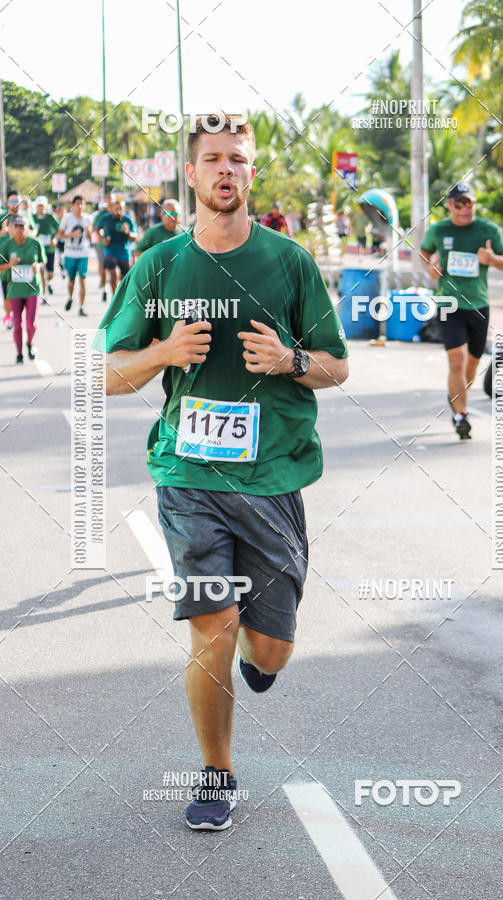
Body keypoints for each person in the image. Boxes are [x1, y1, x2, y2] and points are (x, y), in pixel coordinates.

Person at [95, 114, 349, 831]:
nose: (225, 170)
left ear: (251, 173)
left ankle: (257, 647)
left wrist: (293, 363)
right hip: (189, 473)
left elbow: (337, 364)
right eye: (212, 159)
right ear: (193, 174)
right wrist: (161, 353)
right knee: (211, 627)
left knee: (268, 650)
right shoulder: (160, 266)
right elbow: (109, 373)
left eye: (238, 159)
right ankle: (217, 772)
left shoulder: (292, 262)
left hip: (272, 480)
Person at [420, 182, 503, 439]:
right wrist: (430, 267)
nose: (464, 209)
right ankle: (461, 415)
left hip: (478, 304)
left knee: (472, 363)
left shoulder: (487, 230)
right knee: (456, 359)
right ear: (449, 205)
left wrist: (492, 259)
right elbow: (424, 251)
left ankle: (457, 397)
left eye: (468, 203)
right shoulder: (439, 230)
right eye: (458, 204)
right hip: (448, 303)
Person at [0, 215, 45, 363]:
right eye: (16, 226)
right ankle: (19, 353)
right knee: (17, 325)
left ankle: (30, 344)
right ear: (11, 229)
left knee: (31, 324)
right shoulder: (6, 245)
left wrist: (37, 266)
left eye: (22, 226)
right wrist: (9, 265)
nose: (19, 229)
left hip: (33, 288)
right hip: (15, 290)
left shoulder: (35, 243)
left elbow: (42, 261)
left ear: (27, 228)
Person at [57, 195, 92, 316]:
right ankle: (70, 298)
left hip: (83, 253)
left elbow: (91, 238)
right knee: (71, 281)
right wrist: (71, 235)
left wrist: (88, 231)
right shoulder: (67, 218)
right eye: (77, 203)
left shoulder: (88, 218)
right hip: (70, 254)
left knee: (83, 279)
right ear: (73, 205)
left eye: (82, 203)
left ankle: (82, 307)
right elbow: (59, 235)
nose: (79, 206)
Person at [99, 198, 137, 297]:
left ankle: (122, 297)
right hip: (110, 250)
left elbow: (134, 237)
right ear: (112, 209)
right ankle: (114, 296)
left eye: (120, 209)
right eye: (116, 209)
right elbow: (99, 229)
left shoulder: (128, 220)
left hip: (124, 252)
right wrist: (103, 238)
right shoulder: (106, 218)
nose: (118, 211)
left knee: (125, 278)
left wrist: (127, 232)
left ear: (123, 209)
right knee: (113, 273)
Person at [33, 197, 60, 299]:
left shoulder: (50, 217)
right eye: (39, 206)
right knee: (41, 271)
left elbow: (59, 229)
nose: (41, 208)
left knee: (50, 274)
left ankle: (48, 283)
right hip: (37, 249)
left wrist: (55, 239)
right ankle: (43, 294)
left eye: (42, 206)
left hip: (49, 249)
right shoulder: (33, 217)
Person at [92, 194, 114, 302]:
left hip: (116, 246)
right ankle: (104, 288)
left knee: (114, 270)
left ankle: (114, 293)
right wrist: (103, 236)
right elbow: (96, 227)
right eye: (108, 200)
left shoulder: (119, 212)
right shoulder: (102, 215)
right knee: (103, 268)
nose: (110, 201)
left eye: (112, 199)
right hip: (102, 245)